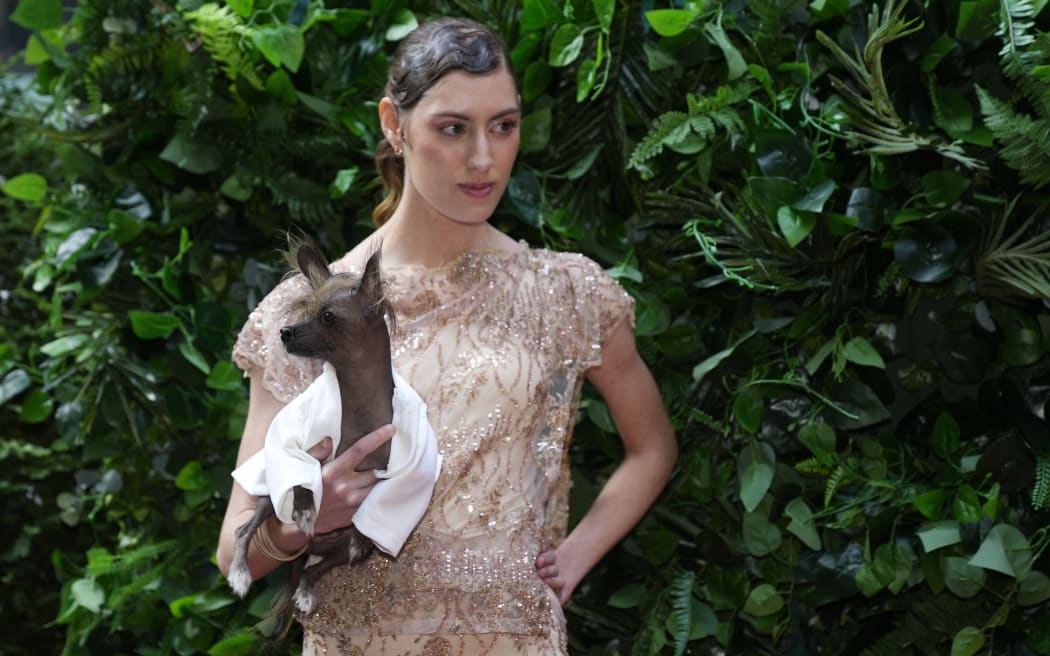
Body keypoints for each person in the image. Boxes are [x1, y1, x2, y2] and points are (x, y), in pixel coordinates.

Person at [215, 16, 677, 655]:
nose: (484, 158)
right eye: (453, 128)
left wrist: (573, 557)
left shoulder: (567, 292)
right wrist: (304, 521)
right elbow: (233, 544)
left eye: (504, 126)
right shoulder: (306, 314)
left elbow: (651, 446)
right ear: (393, 124)